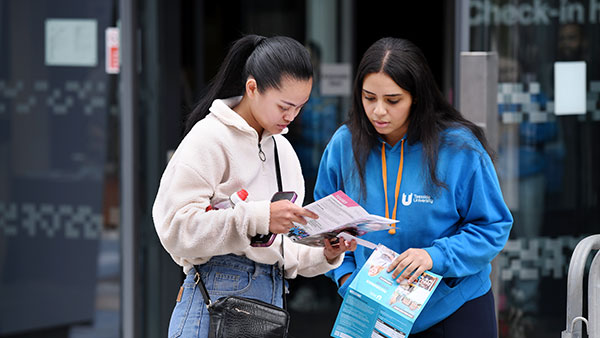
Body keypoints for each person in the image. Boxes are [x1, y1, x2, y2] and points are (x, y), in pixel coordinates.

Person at [152, 34, 355, 338]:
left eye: (299, 107)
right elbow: (175, 229)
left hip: (271, 300)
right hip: (216, 294)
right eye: (284, 105)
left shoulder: (283, 152)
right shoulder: (208, 137)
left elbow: (285, 251)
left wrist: (326, 253)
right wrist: (258, 218)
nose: (291, 117)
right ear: (252, 88)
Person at [314, 37, 513, 337]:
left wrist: (433, 257)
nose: (378, 111)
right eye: (369, 98)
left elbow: (493, 226)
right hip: (372, 306)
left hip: (455, 305)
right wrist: (344, 277)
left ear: (416, 97)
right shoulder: (344, 144)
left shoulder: (459, 148)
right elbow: (327, 222)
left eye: (392, 100)